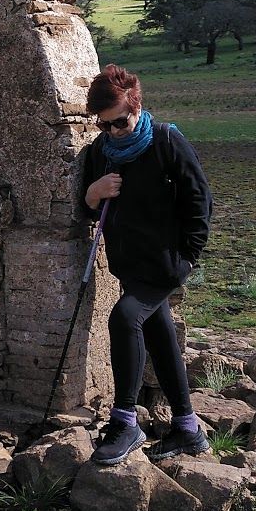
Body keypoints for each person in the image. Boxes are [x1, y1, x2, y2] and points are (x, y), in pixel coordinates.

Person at [79, 64, 213, 465]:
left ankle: (125, 422)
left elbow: (200, 202)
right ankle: (188, 430)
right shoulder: (101, 153)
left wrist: (188, 258)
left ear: (137, 105)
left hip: (166, 263)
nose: (114, 131)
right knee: (159, 333)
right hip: (128, 263)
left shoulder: (166, 141)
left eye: (120, 121)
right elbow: (89, 213)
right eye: (104, 126)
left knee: (124, 319)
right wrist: (93, 194)